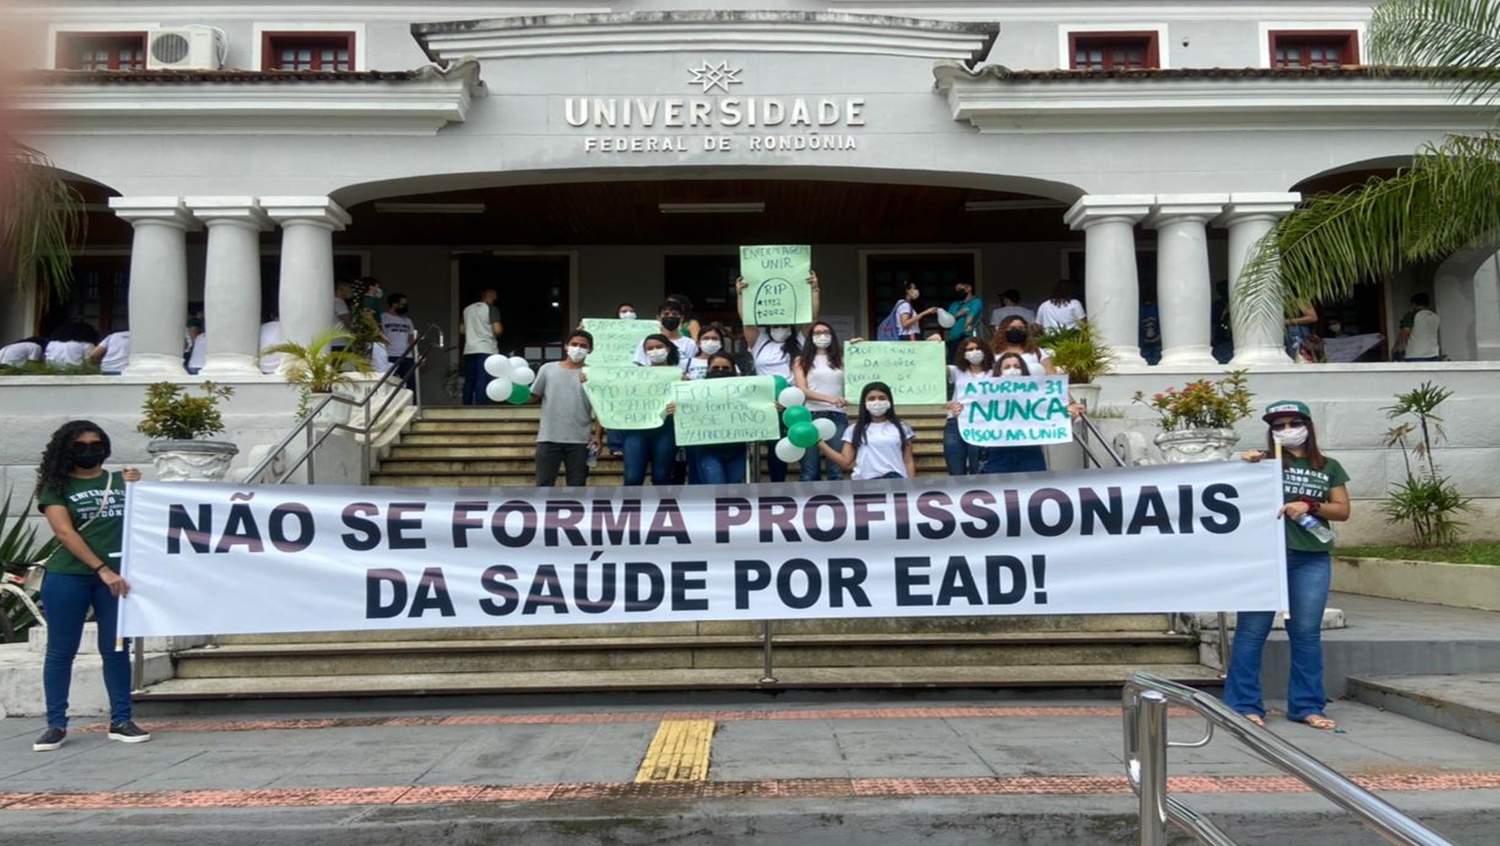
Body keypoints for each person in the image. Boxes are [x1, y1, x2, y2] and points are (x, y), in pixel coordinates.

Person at [1227, 400, 1350, 732]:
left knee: (1307, 634)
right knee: (1251, 633)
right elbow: (1233, 496)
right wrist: (1247, 466)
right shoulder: (1265, 465)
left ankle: (1308, 705)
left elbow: (1342, 510)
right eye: (1277, 426)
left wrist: (1308, 505)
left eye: (1292, 423)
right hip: (1264, 557)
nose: (1285, 430)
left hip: (1310, 556)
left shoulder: (1328, 466)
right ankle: (1243, 704)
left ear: (1308, 426)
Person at [31, 420, 149, 752]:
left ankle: (122, 720)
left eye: (95, 444)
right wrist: (101, 569)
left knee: (115, 649)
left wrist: (139, 486)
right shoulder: (55, 486)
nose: (89, 450)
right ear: (66, 450)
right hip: (70, 576)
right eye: (80, 446)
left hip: (117, 578)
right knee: (60, 651)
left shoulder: (120, 481)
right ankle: (56, 724)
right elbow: (65, 533)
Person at [738, 272, 821, 482]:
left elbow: (811, 319)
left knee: (801, 443)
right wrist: (741, 295)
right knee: (776, 448)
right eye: (776, 325)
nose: (780, 329)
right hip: (767, 402)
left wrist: (814, 290)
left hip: (795, 401)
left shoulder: (800, 342)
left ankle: (806, 483)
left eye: (784, 325)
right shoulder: (760, 342)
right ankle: (776, 485)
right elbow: (747, 322)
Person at [531, 330, 601, 487]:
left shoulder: (593, 374)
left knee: (577, 486)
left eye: (583, 346)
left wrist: (597, 436)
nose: (578, 348)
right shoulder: (547, 369)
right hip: (548, 438)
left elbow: (600, 408)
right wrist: (514, 393)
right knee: (544, 484)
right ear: (566, 346)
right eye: (574, 344)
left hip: (580, 440)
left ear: (590, 350)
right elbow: (534, 395)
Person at [816, 381, 915, 480]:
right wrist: (819, 442)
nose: (877, 402)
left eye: (882, 398)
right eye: (871, 399)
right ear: (864, 403)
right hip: (865, 484)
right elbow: (845, 462)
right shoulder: (854, 430)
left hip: (897, 481)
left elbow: (908, 461)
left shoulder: (902, 428)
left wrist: (911, 485)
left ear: (889, 402)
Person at [621, 334, 682, 486]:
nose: (655, 351)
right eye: (650, 348)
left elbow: (689, 403)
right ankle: (631, 508)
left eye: (659, 347)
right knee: (632, 476)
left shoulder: (680, 375)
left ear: (667, 348)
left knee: (662, 475)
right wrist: (589, 379)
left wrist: (679, 405)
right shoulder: (635, 376)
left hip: (666, 429)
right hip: (637, 429)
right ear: (644, 352)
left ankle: (660, 508)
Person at [793, 320, 847, 481]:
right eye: (817, 333)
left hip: (837, 416)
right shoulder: (800, 360)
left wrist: (857, 348)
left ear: (832, 336)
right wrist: (830, 399)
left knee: (836, 469)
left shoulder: (843, 358)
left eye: (826, 332)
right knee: (809, 470)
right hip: (810, 416)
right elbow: (802, 390)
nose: (822, 336)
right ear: (810, 337)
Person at [691, 353, 751, 485]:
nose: (720, 371)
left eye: (725, 368)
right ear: (708, 370)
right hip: (707, 450)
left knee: (732, 489)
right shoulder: (694, 392)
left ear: (733, 371)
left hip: (737, 449)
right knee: (717, 486)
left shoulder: (745, 391)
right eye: (715, 368)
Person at [984, 353, 1050, 474]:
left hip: (1030, 451)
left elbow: (1052, 415)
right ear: (999, 371)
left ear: (1023, 370)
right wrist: (960, 412)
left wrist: (1070, 413)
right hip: (998, 451)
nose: (1012, 370)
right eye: (1007, 367)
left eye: (1017, 366)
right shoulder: (985, 395)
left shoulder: (1038, 394)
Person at [943, 338, 992, 476]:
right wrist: (936, 347)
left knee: (978, 468)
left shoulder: (994, 373)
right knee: (955, 470)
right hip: (955, 423)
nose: (974, 352)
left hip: (982, 425)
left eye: (977, 348)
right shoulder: (956, 371)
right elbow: (933, 366)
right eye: (969, 350)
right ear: (963, 353)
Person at [460, 289, 503, 405]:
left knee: (469, 380)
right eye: (494, 297)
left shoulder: (467, 309)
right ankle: (480, 407)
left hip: (469, 349)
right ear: (490, 295)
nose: (495, 299)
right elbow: (497, 329)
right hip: (486, 348)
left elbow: (462, 330)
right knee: (482, 379)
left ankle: (466, 405)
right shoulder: (491, 309)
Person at [634, 300, 698, 371]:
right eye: (666, 314)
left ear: (681, 318)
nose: (670, 316)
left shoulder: (690, 344)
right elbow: (640, 366)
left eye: (674, 314)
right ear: (658, 318)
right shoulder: (646, 343)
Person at [990, 313, 1056, 374]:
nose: (1016, 331)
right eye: (1011, 328)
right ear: (1002, 331)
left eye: (1021, 328)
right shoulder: (992, 353)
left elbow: (1051, 375)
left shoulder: (1037, 352)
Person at [381, 292, 417, 389]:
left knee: (410, 384)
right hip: (390, 355)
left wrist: (417, 355)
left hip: (407, 356)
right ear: (394, 304)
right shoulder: (383, 318)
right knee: (389, 383)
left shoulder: (407, 320)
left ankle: (412, 403)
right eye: (403, 304)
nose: (405, 306)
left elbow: (411, 339)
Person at [1395, 293, 1441, 362]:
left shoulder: (1411, 315)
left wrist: (1396, 347)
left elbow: (1405, 332)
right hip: (1433, 353)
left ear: (1413, 304)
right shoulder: (1435, 317)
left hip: (1415, 354)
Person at [945, 281, 984, 359]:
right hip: (953, 339)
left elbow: (971, 314)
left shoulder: (976, 302)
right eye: (956, 290)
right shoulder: (954, 304)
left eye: (960, 288)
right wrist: (960, 313)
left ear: (969, 288)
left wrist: (967, 323)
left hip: (968, 337)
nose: (958, 291)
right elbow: (948, 321)